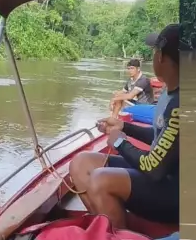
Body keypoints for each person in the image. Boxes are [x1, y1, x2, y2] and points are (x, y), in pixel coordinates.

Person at [69, 24, 179, 228]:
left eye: (155, 52)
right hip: (159, 174)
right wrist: (123, 127)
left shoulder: (180, 104)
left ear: (161, 57)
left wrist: (119, 141)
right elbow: (159, 138)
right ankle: (107, 229)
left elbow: (154, 168)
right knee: (81, 163)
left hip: (175, 191)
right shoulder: (168, 92)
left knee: (101, 179)